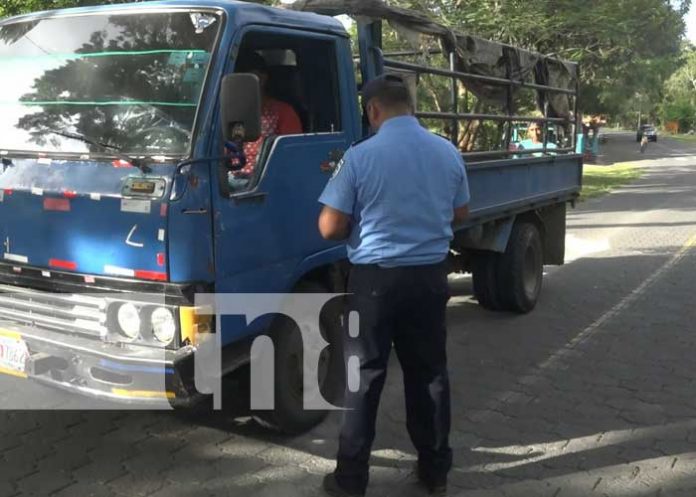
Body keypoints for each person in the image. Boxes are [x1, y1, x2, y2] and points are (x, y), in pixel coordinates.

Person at [317, 75, 470, 497]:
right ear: (411, 106)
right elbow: (461, 212)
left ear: (373, 111)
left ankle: (350, 481)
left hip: (376, 284)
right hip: (429, 278)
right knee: (429, 374)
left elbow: (330, 226)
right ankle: (435, 472)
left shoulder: (360, 156)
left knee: (363, 379)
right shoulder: (447, 151)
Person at [232, 51, 303, 177]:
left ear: (262, 79)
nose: (240, 86)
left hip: (258, 183)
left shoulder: (283, 112)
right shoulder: (230, 111)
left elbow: (291, 156)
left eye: (246, 79)